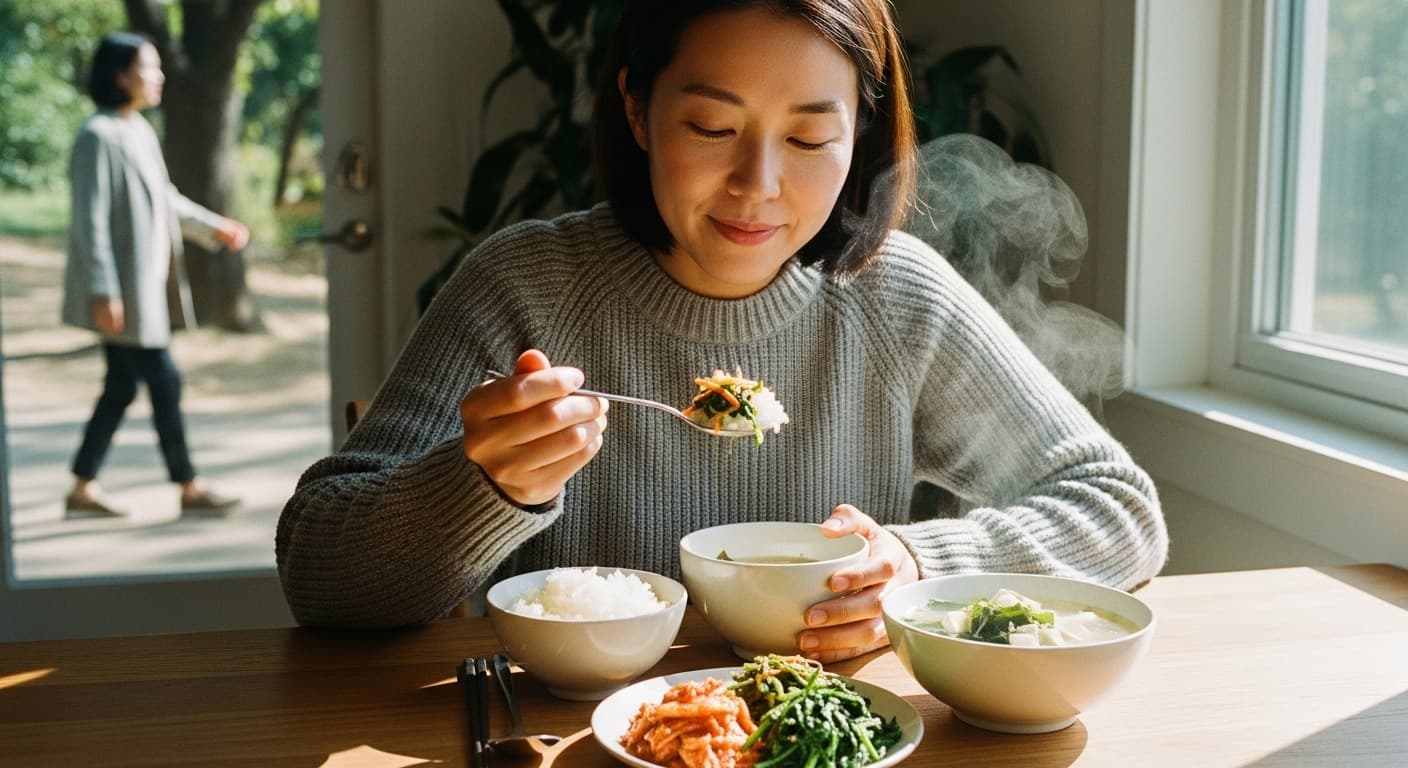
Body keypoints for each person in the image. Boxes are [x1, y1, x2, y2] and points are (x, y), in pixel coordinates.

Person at [277, 0, 1168, 663]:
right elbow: (320, 573)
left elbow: (1119, 509)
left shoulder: (897, 298)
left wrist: (914, 562)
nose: (759, 184)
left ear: (861, 132)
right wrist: (481, 485)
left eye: (813, 138)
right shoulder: (526, 288)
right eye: (712, 126)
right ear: (637, 110)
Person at [61, 32, 248, 518]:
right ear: (121, 75)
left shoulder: (138, 131)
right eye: (151, 68)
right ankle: (188, 486)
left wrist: (215, 228)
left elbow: (166, 200)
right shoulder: (96, 136)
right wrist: (104, 289)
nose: (160, 77)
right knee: (164, 381)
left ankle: (82, 487)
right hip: (124, 293)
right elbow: (90, 220)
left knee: (121, 388)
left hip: (144, 288)